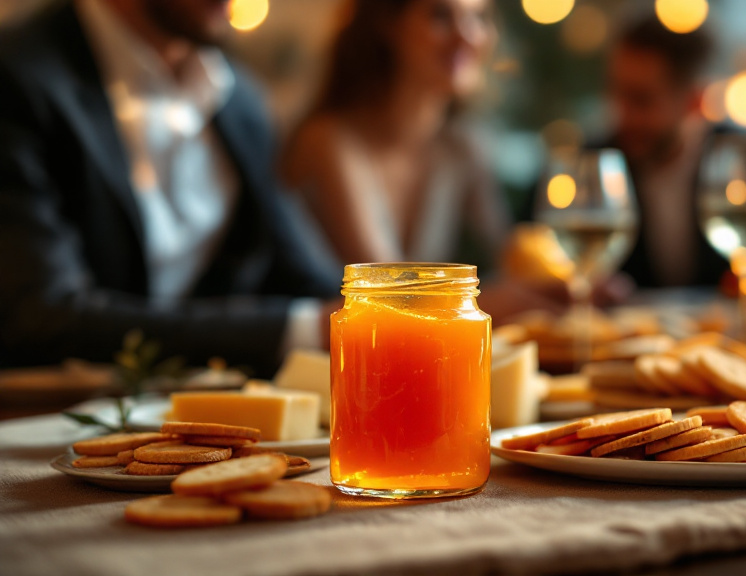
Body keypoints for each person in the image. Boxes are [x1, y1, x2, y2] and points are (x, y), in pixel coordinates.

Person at [0, 0, 340, 376]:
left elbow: (300, 272)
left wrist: (376, 310)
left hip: (206, 416)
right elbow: (40, 315)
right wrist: (299, 329)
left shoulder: (239, 97)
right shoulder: (16, 74)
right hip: (41, 416)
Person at [282, 0, 510, 271]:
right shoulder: (329, 140)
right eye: (440, 15)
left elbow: (508, 255)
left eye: (479, 18)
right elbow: (390, 290)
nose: (468, 36)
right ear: (388, 24)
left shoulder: (461, 148)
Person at [605, 16, 722, 288]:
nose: (624, 115)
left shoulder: (739, 162)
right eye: (617, 94)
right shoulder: (594, 164)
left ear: (695, 101)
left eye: (641, 99)